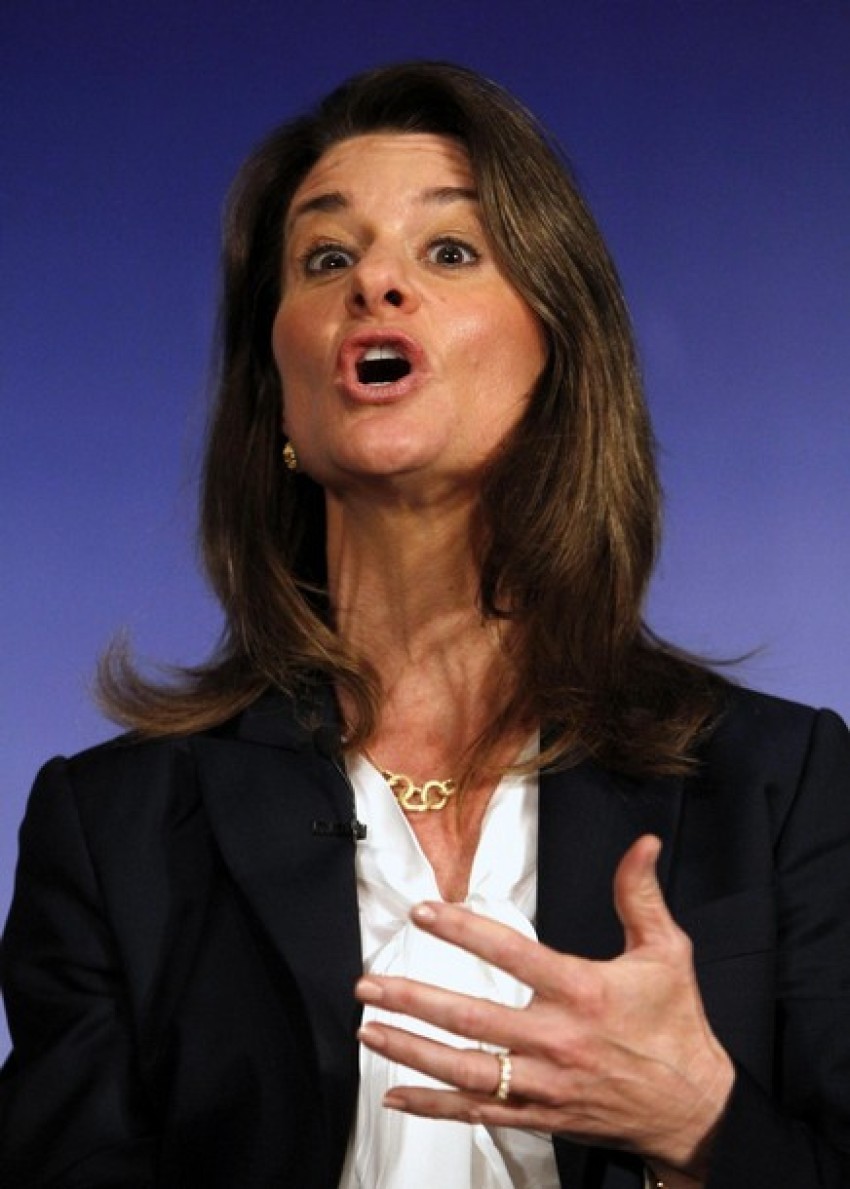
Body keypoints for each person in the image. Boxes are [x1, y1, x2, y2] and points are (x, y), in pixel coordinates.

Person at [1, 61, 848, 1189]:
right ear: (280, 392)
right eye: (326, 258)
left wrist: (698, 1124)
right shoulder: (113, 831)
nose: (376, 286)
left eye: (449, 252)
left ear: (559, 353)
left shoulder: (783, 785)